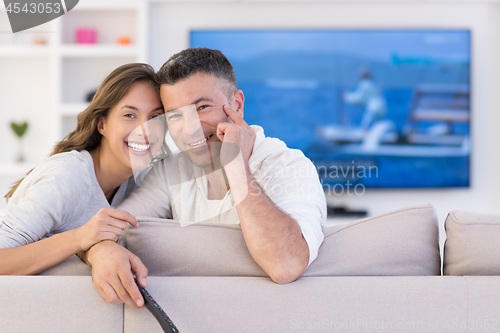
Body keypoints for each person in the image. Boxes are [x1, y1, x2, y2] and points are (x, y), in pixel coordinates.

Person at [83, 48, 327, 309]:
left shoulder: (288, 165)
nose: (190, 128)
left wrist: (236, 166)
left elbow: (285, 264)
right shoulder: (171, 170)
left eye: (202, 107)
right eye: (175, 115)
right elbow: (109, 230)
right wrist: (100, 249)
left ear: (238, 105)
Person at [0, 62, 164, 300]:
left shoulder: (141, 183)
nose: (145, 130)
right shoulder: (66, 176)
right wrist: (80, 237)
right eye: (130, 115)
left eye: (156, 117)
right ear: (102, 124)